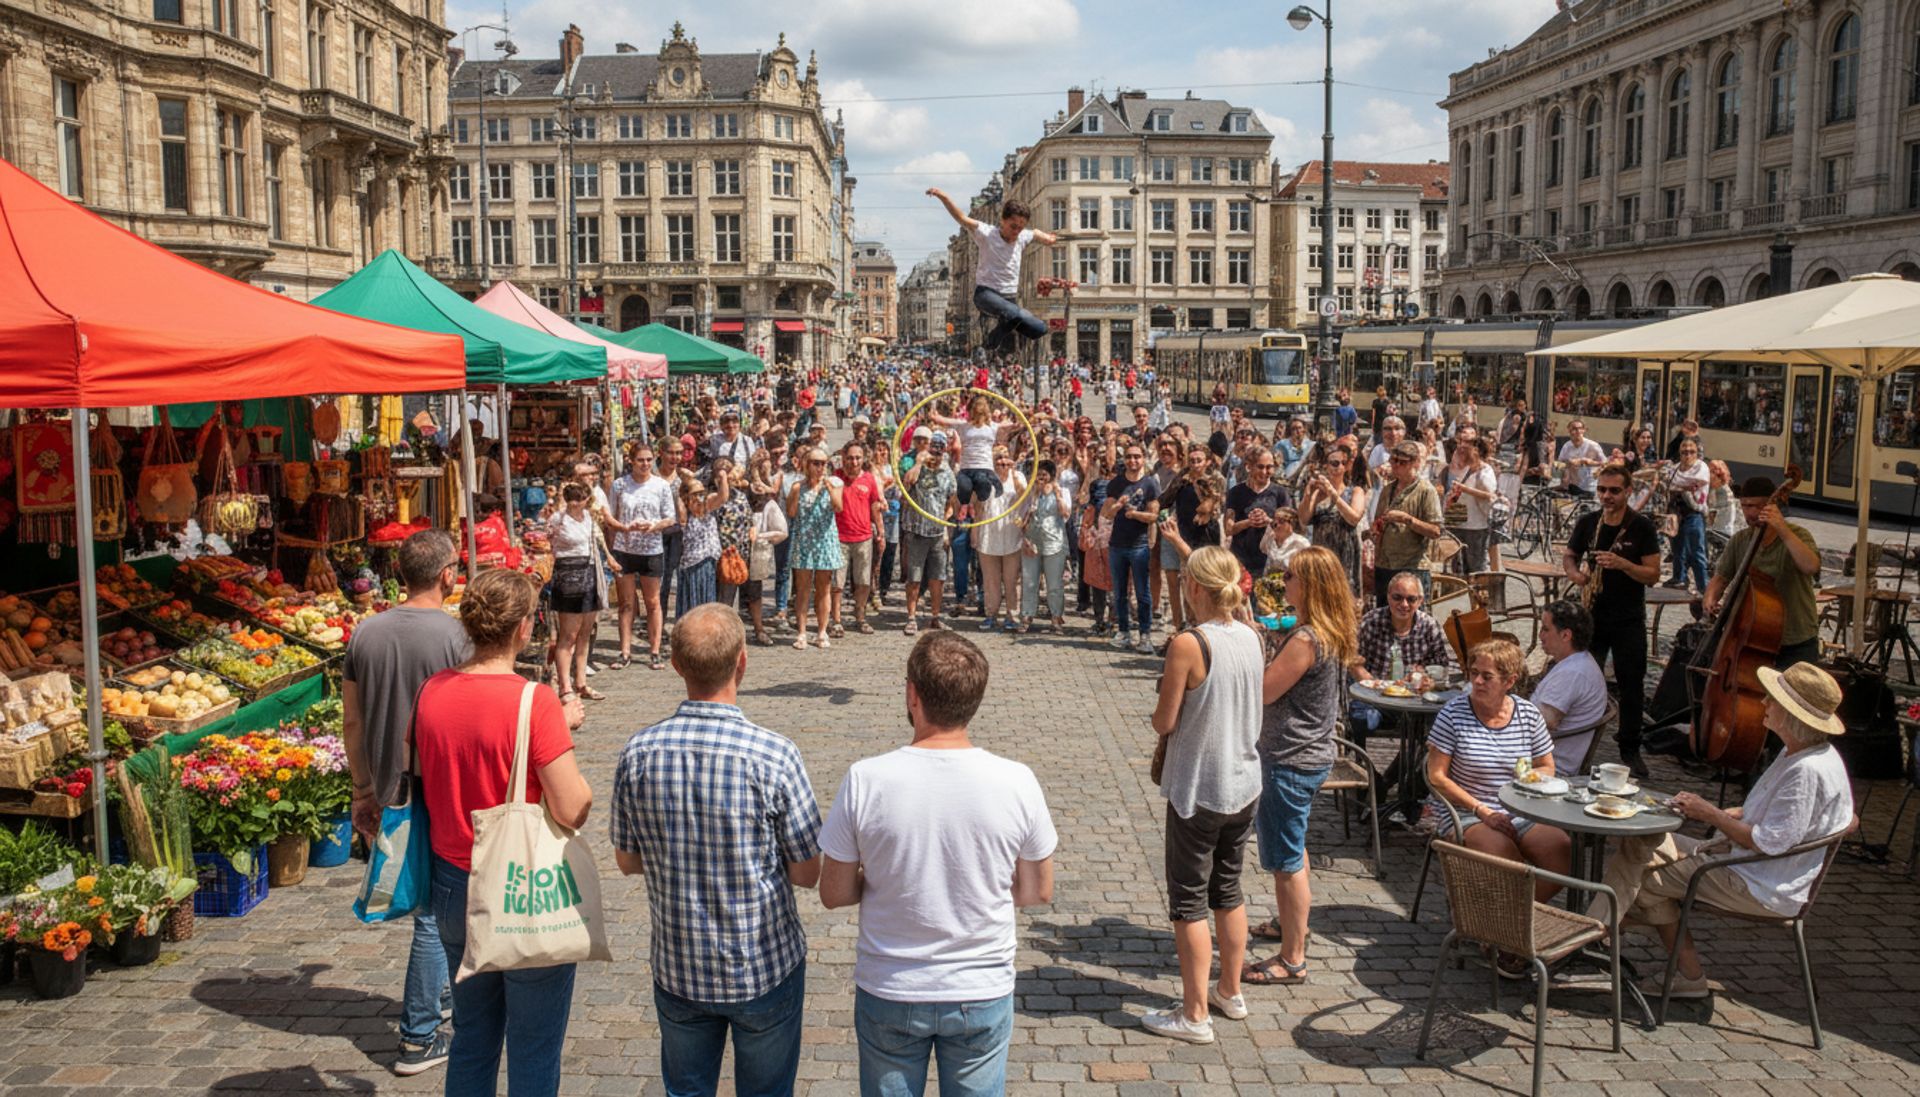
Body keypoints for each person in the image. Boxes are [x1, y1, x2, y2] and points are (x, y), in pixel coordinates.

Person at [819, 631, 1058, 1096]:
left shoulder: (867, 779)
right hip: (980, 985)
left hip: (892, 984)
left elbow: (833, 892)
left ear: (912, 694)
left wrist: (884, 875)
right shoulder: (1017, 781)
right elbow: (1037, 891)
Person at [610, 605, 823, 1097]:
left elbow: (625, 859)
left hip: (680, 964)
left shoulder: (639, 752)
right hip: (762, 964)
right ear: (742, 663)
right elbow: (808, 871)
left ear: (677, 665)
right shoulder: (774, 755)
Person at [413, 568, 591, 1097]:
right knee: (533, 1046)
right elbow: (571, 805)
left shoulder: (431, 692)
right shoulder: (532, 702)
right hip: (520, 886)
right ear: (524, 630)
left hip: (449, 879)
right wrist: (564, 730)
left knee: (472, 1036)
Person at [1597, 662, 1854, 1000]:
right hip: (1747, 860)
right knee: (1641, 843)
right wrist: (1717, 811)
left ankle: (1597, 934)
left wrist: (1712, 814)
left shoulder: (1807, 770)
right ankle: (1602, 929)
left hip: (1760, 881)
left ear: (1792, 716)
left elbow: (1768, 842)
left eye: (1772, 700)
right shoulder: (1803, 752)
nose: (1763, 704)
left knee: (1645, 882)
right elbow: (1785, 816)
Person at [341, 530, 469, 1076]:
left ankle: (435, 996)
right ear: (446, 575)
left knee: (425, 899)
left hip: (390, 786)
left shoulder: (364, 633)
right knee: (434, 912)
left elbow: (352, 720)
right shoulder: (457, 636)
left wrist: (361, 788)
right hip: (436, 784)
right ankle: (418, 1036)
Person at [1140, 547, 1264, 1043]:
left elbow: (1165, 720)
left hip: (1200, 786)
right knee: (1228, 890)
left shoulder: (1190, 644)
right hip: (1244, 783)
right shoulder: (1253, 636)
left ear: (1193, 587)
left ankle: (1194, 1014)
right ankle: (1229, 991)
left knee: (1188, 900)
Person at [1243, 546, 1359, 987]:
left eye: (1290, 575)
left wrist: (1252, 651)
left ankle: (1292, 957)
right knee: (1296, 847)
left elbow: (1265, 691)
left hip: (1288, 760)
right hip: (1308, 755)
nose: (1284, 580)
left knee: (1285, 861)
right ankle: (1294, 924)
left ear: (1308, 585)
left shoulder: (1307, 640)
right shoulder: (1323, 630)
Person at [1424, 639, 1572, 904]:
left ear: (1509, 681)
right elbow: (1436, 777)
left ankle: (1511, 923)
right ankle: (1506, 932)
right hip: (1465, 810)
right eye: (1474, 673)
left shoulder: (1528, 714)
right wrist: (1482, 810)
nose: (1477, 681)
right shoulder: (1453, 714)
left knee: (1560, 850)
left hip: (1519, 810)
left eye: (1486, 676)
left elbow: (1546, 766)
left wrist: (1530, 782)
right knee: (1507, 859)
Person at [1564, 463, 1662, 778]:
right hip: (1592, 616)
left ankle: (1630, 747)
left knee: (1631, 684)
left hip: (1628, 617)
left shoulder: (1641, 526)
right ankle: (1579, 741)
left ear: (1628, 491)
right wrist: (1577, 575)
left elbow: (1653, 575)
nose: (1607, 496)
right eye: (1602, 490)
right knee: (1583, 680)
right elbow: (1569, 555)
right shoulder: (1588, 522)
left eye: (1614, 491)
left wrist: (1623, 564)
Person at [1706, 476, 1823, 669]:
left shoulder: (1799, 535)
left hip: (1795, 640)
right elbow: (1721, 577)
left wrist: (1782, 529)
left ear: (1773, 505)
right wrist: (1710, 599)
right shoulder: (1740, 540)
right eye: (1745, 506)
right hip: (1753, 639)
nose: (1751, 512)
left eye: (1758, 506)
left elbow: (1810, 566)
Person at [929, 189, 1058, 356]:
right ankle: (991, 342)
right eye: (1013, 226)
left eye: (1020, 227)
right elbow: (961, 218)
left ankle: (994, 335)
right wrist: (943, 196)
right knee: (1012, 313)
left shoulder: (1022, 236)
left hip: (1009, 299)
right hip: (986, 295)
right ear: (1002, 221)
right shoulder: (987, 233)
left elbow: (1034, 233)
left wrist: (1048, 238)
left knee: (1039, 329)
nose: (1016, 231)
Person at [607, 445, 679, 672]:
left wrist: (653, 526)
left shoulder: (661, 486)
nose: (645, 464)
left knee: (653, 602)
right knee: (627, 603)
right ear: (631, 460)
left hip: (651, 548)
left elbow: (671, 518)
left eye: (648, 459)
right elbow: (609, 515)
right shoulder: (620, 485)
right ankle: (625, 651)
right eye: (640, 460)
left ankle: (654, 650)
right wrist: (623, 528)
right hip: (625, 548)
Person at [548, 482, 617, 703]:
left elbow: (597, 541)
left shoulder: (588, 517)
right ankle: (565, 686)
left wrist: (610, 560)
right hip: (567, 575)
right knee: (568, 635)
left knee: (586, 632)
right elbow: (547, 541)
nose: (577, 502)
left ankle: (581, 682)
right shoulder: (558, 519)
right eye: (573, 497)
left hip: (588, 573)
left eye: (581, 497)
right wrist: (559, 503)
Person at [1531, 600, 1610, 775]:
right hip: (1541, 754)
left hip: (1549, 765)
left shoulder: (1573, 673)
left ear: (1566, 635)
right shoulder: (1576, 663)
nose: (1540, 635)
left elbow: (1543, 722)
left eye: (1545, 629)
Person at [1103, 440, 1162, 655]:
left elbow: (1154, 515)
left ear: (1143, 459)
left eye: (1137, 456)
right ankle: (1124, 632)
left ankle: (1145, 635)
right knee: (1119, 592)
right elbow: (1106, 514)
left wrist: (1135, 514)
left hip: (1139, 546)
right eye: (1129, 457)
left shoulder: (1150, 484)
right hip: (1117, 544)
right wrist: (1118, 506)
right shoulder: (1116, 484)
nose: (1133, 461)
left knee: (1142, 592)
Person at [1370, 441, 1444, 607]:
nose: (1396, 465)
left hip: (1412, 566)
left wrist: (1407, 519)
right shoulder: (1388, 489)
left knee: (1413, 620)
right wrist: (1375, 529)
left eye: (1402, 462)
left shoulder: (1426, 490)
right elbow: (1378, 521)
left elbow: (1436, 531)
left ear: (1415, 463)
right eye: (1393, 460)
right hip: (1385, 564)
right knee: (1384, 617)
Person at [786, 446, 846, 650]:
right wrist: (795, 493)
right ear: (806, 465)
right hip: (804, 542)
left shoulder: (835, 484)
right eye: (816, 463)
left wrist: (828, 488)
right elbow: (792, 513)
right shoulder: (797, 487)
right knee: (802, 588)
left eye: (823, 463)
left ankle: (822, 631)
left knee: (824, 588)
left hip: (825, 541)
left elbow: (839, 507)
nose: (820, 468)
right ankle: (802, 632)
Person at [901, 434, 959, 635]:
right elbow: (906, 487)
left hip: (937, 533)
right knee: (914, 577)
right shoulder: (920, 467)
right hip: (917, 530)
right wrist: (918, 463)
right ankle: (911, 617)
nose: (936, 453)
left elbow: (951, 503)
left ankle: (935, 616)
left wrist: (945, 527)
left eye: (939, 450)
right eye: (933, 449)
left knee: (938, 577)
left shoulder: (948, 472)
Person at [927, 393, 1023, 507]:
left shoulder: (992, 426)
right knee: (963, 491)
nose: (978, 413)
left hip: (984, 468)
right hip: (966, 469)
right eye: (975, 409)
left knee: (982, 485)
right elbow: (941, 420)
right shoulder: (964, 425)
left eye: (981, 410)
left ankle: (977, 504)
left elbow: (1013, 425)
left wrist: (1019, 419)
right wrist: (932, 411)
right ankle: (968, 509)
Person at [972, 446, 1027, 633]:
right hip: (989, 534)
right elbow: (978, 506)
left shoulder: (1018, 477)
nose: (1003, 463)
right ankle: (991, 614)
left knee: (1012, 580)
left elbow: (1024, 497)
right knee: (990, 580)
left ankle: (1013, 615)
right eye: (999, 460)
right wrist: (975, 531)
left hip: (1011, 534)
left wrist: (1011, 474)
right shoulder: (985, 478)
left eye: (1006, 460)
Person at [1299, 442, 1367, 594]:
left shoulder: (1355, 491)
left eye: (1343, 463)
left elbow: (1354, 518)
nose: (1339, 468)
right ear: (1326, 466)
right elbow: (1303, 519)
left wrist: (1333, 494)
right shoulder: (1318, 493)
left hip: (1345, 552)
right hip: (1323, 550)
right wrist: (1308, 495)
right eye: (1335, 463)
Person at [833, 442, 885, 637]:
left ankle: (860, 616)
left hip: (863, 537)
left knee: (863, 581)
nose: (854, 462)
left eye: (857, 458)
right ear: (843, 458)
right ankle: (836, 620)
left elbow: (875, 508)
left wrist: (881, 532)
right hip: (839, 537)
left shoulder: (869, 479)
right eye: (850, 457)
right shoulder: (835, 478)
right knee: (837, 583)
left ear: (863, 459)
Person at [1018, 458, 1072, 632]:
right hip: (1031, 542)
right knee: (1029, 581)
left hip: (1054, 542)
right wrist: (1024, 538)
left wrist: (1056, 494)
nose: (1041, 477)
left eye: (1044, 474)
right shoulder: (1030, 493)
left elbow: (1066, 513)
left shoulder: (1063, 491)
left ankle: (1056, 617)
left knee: (1054, 583)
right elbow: (1020, 519)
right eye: (1038, 474)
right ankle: (1026, 615)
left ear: (1052, 476)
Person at [1224, 448, 1286, 580]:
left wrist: (1268, 521)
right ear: (1248, 467)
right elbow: (1228, 529)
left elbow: (1289, 528)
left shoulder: (1280, 493)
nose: (1265, 472)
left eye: (1269, 467)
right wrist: (1248, 522)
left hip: (1270, 560)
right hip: (1241, 559)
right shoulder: (1235, 493)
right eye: (1260, 467)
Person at [1446, 436, 1499, 573]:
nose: (1461, 451)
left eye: (1466, 449)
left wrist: (1464, 489)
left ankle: (1479, 594)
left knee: (1475, 569)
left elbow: (1490, 496)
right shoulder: (1467, 468)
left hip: (1475, 525)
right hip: (1458, 520)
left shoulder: (1485, 472)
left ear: (1475, 451)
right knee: (1457, 568)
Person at [1666, 438, 1711, 592]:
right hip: (1676, 513)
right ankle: (1680, 578)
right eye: (1684, 452)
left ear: (1697, 452)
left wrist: (1677, 486)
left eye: (1691, 451)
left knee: (1696, 551)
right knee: (1677, 548)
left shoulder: (1701, 466)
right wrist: (1682, 486)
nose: (1687, 455)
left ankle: (1703, 587)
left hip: (1694, 512)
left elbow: (1697, 483)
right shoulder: (1676, 467)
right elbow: (1669, 484)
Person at [675, 475, 721, 620]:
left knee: (707, 602)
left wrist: (722, 477)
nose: (700, 497)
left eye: (702, 492)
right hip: (692, 564)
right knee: (692, 604)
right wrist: (684, 495)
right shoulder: (685, 513)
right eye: (696, 493)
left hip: (709, 561)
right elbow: (681, 509)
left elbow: (723, 496)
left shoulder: (708, 509)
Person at [1557, 419, 1606, 498]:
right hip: (1573, 485)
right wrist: (1567, 464)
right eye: (1574, 429)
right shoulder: (1567, 446)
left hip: (1589, 486)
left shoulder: (1592, 445)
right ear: (1569, 430)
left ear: (1584, 430)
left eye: (1580, 428)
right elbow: (1560, 464)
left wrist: (1588, 462)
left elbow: (1605, 463)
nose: (1577, 431)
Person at [1258, 507, 1309, 573]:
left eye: (1281, 521)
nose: (1277, 525)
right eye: (1275, 521)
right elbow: (1262, 548)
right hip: (1270, 580)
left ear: (1291, 523)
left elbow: (1306, 567)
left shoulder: (1301, 542)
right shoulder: (1270, 537)